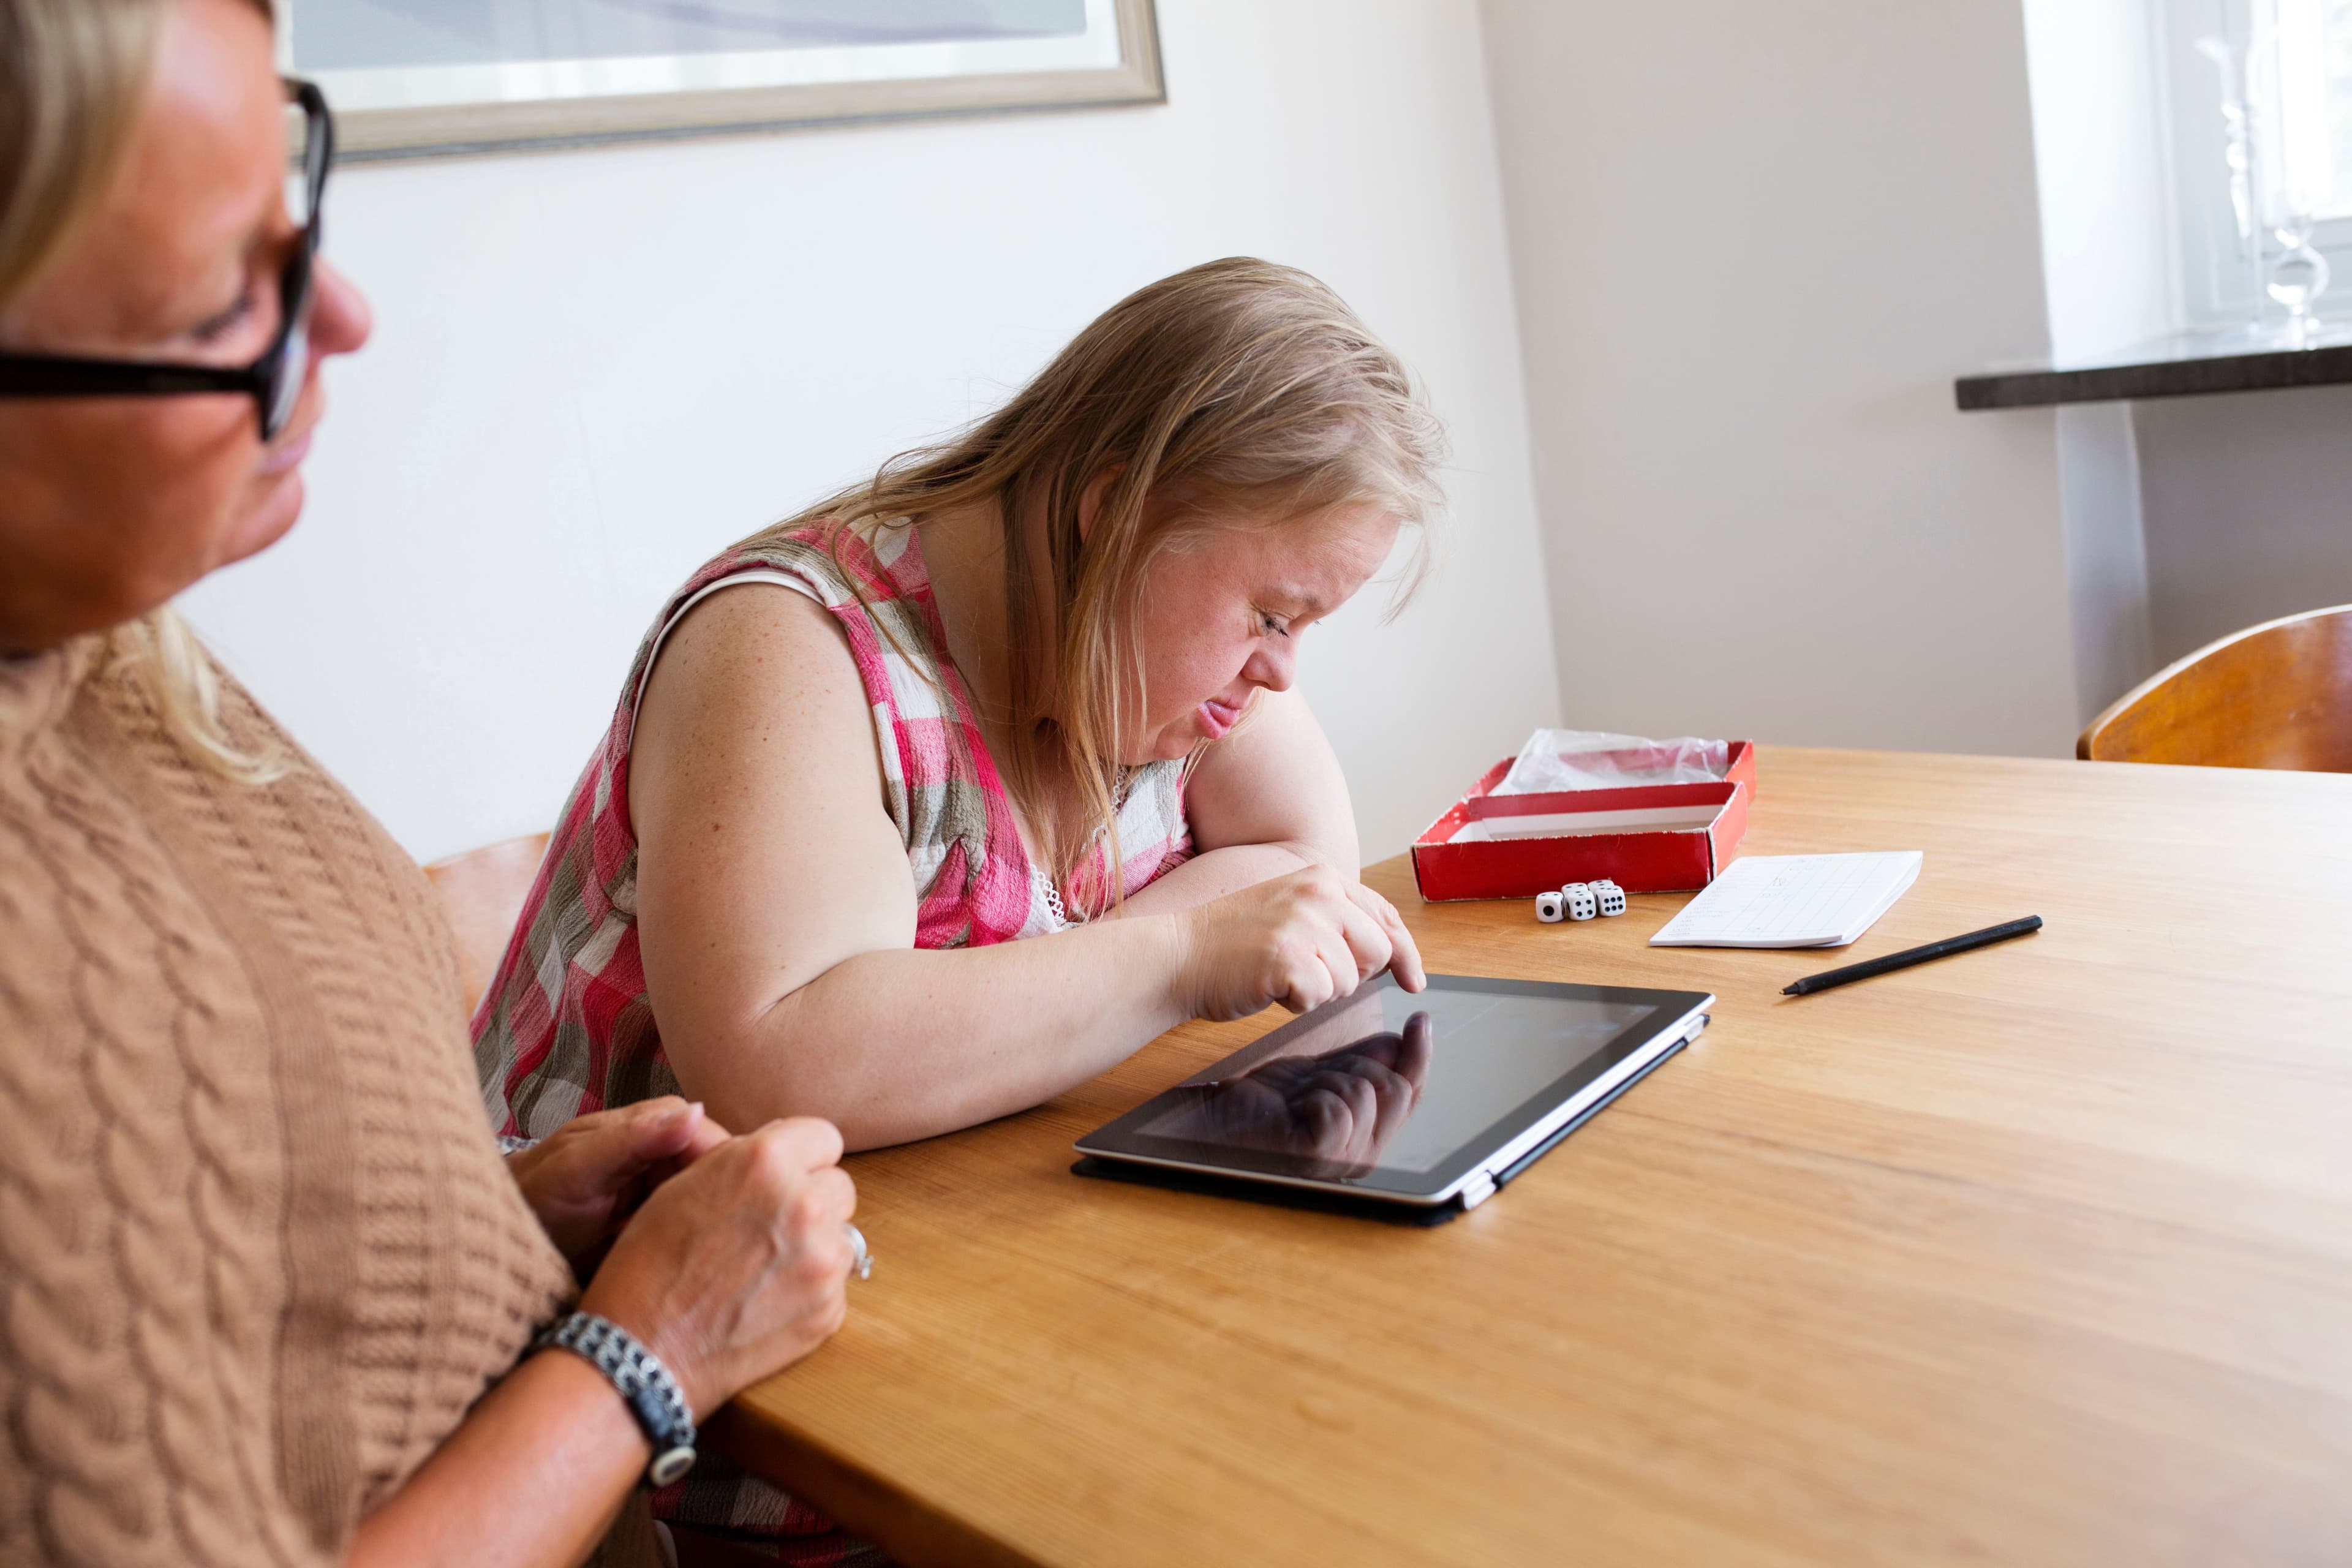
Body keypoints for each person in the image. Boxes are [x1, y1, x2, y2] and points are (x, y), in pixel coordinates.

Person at [0, 3, 862, 1565]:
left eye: (297, 206)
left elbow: (216, 1299)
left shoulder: (104, 645)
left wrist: (485, 1229)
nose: (339, 315)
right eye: (218, 309)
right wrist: (647, 1352)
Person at [477, 258, 1444, 1161]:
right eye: (1272, 614)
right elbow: (782, 1068)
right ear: (1118, 515)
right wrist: (1180, 957)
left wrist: (1053, 998)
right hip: (584, 1272)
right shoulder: (787, 649)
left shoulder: (1160, 666)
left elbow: (1305, 868)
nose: (1280, 673)